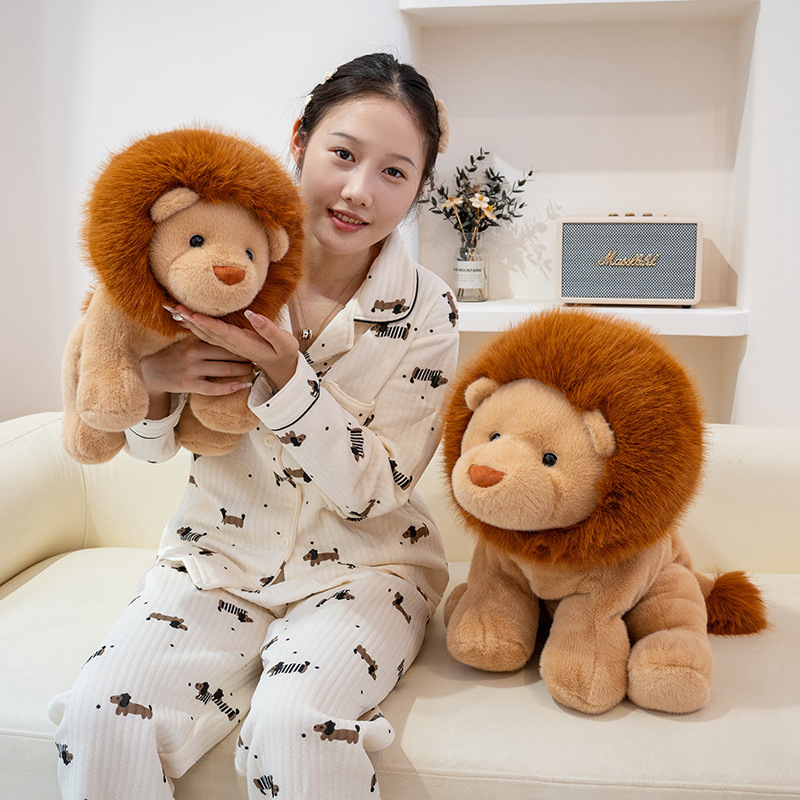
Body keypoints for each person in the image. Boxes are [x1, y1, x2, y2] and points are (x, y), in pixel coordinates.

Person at [48, 52, 458, 800]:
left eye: (396, 173)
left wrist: (287, 377)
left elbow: (375, 494)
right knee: (100, 714)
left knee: (295, 726)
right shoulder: (208, 260)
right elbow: (141, 449)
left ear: (419, 188)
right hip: (216, 561)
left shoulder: (428, 311)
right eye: (343, 154)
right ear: (299, 141)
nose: (359, 191)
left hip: (367, 571)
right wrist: (154, 383)